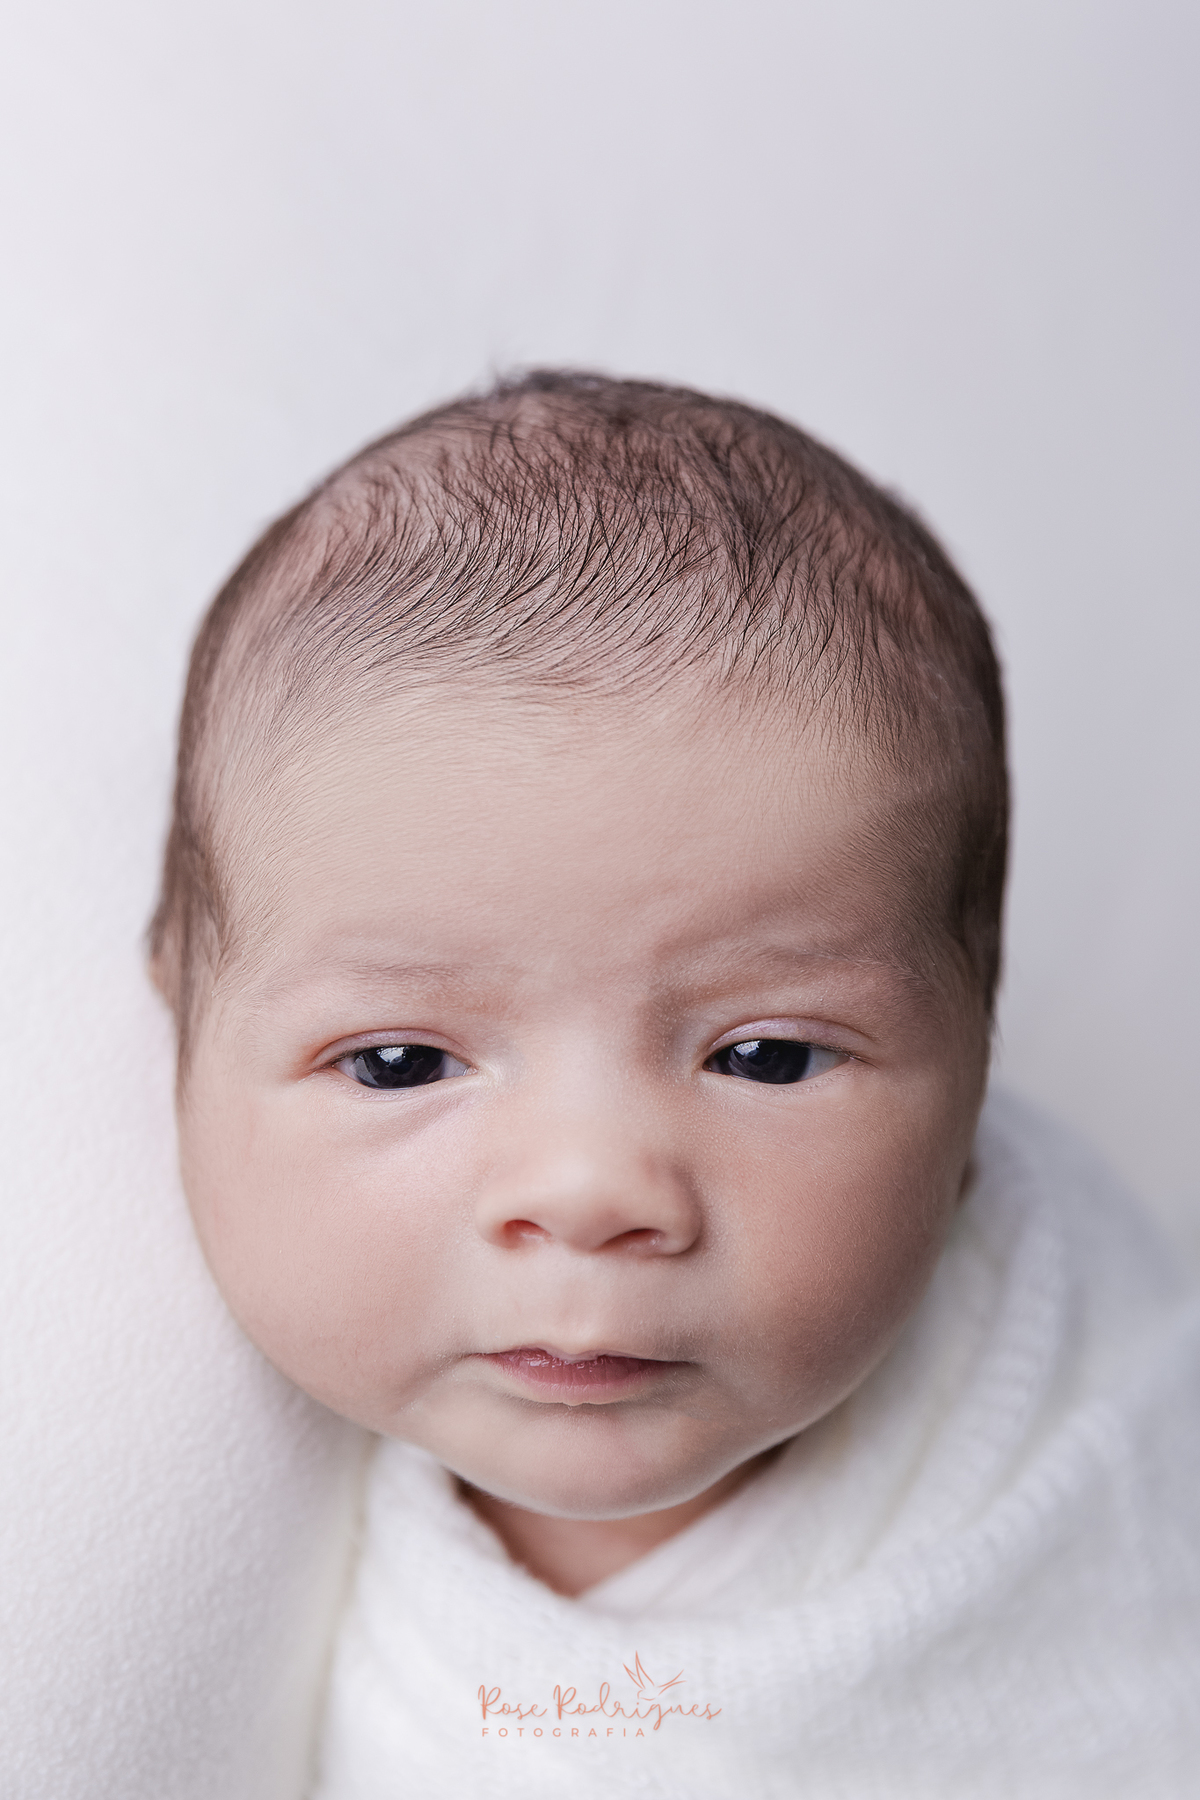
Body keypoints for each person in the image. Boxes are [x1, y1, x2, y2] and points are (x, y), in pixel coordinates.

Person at [150, 371, 1200, 1798]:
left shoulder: (1103, 1436)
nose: (592, 1193)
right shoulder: (154, 1506)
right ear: (181, 1014)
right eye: (401, 1062)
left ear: (976, 1052)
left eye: (766, 1055)